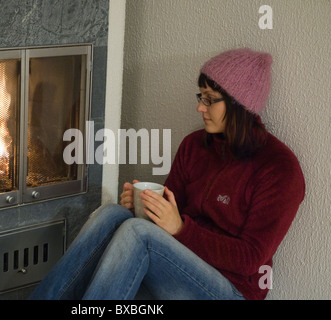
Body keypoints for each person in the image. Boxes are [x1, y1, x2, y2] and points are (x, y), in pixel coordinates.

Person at [29, 48, 305, 300]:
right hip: (181, 261)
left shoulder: (279, 168)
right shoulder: (195, 145)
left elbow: (250, 258)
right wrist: (145, 207)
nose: (200, 108)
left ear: (239, 105)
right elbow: (171, 216)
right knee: (112, 214)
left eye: (210, 100)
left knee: (139, 234)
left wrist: (181, 229)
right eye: (201, 97)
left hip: (231, 289)